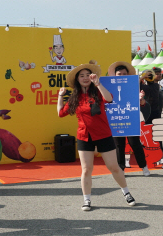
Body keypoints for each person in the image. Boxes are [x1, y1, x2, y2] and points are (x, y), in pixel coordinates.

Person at [57, 61, 136, 211]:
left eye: (88, 75)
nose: (85, 78)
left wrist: (98, 84)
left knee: (114, 167)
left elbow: (110, 99)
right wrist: (60, 96)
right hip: (84, 136)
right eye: (82, 76)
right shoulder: (75, 96)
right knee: (86, 170)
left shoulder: (97, 91)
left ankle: (126, 193)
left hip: (103, 134)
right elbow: (61, 113)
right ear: (77, 79)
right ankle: (87, 200)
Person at [107, 61, 150, 176]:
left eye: (124, 74)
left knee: (135, 143)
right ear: (115, 75)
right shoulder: (109, 86)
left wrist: (141, 99)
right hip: (116, 119)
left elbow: (142, 103)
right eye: (119, 74)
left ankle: (144, 166)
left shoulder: (134, 85)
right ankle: (121, 168)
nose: (122, 76)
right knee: (119, 145)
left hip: (130, 119)